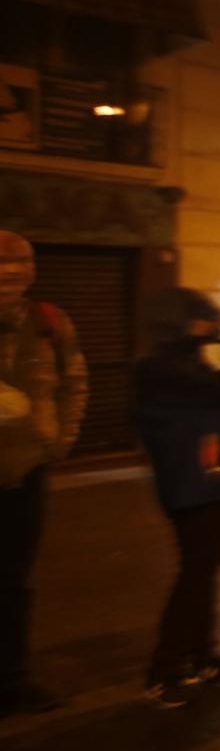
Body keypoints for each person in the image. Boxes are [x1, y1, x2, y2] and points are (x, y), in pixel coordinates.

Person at [133, 290, 220, 706]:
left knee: (205, 568)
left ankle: (201, 655)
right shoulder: (163, 367)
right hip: (192, 479)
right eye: (204, 318)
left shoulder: (198, 359)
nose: (212, 325)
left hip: (218, 477)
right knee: (196, 569)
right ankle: (164, 668)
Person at [0, 231, 86, 715]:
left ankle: (11, 679)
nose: (12, 270)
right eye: (2, 261)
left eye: (22, 261)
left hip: (26, 472)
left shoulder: (50, 322)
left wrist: (59, 442)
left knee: (14, 579)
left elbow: (75, 382)